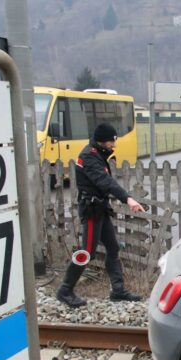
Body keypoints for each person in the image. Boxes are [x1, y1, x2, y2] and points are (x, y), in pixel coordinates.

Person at [56, 122, 145, 308]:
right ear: (103, 141)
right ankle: (65, 291)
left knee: (112, 247)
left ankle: (118, 290)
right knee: (87, 252)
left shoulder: (98, 154)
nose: (114, 144)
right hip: (91, 211)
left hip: (101, 209)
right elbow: (105, 181)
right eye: (112, 141)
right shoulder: (89, 157)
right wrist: (127, 199)